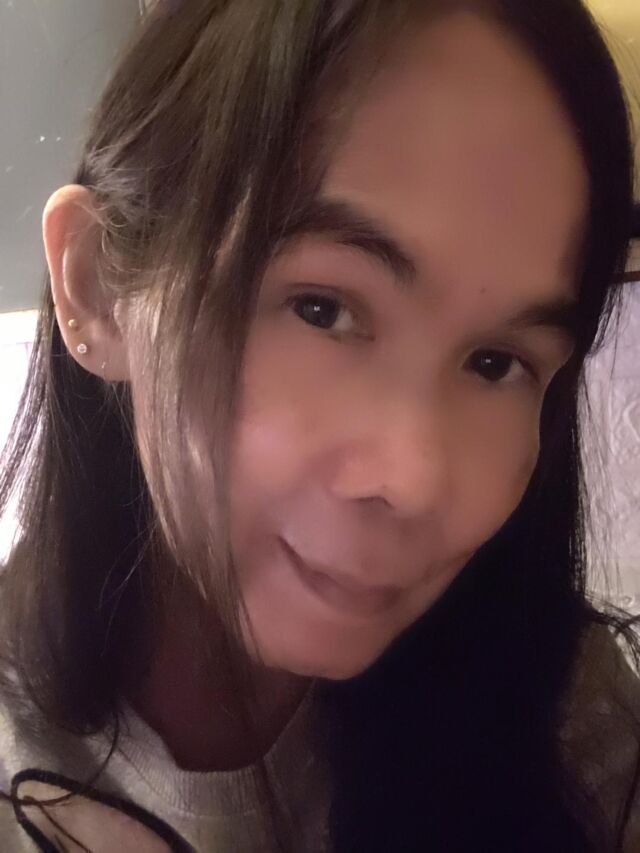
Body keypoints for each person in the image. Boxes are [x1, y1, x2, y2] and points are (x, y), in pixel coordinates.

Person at [0, 0, 639, 850]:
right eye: (321, 308)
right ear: (97, 286)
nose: (415, 477)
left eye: (496, 363)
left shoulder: (566, 711)